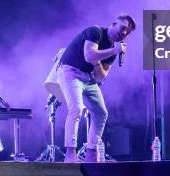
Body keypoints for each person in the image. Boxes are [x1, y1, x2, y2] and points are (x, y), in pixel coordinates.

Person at [58, 14, 136, 163]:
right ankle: (70, 154)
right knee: (76, 108)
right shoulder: (95, 32)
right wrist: (111, 52)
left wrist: (100, 60)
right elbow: (89, 56)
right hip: (70, 71)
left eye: (128, 32)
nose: (125, 33)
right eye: (123, 28)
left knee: (101, 113)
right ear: (113, 24)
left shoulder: (113, 51)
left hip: (88, 78)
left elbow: (100, 77)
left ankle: (91, 153)